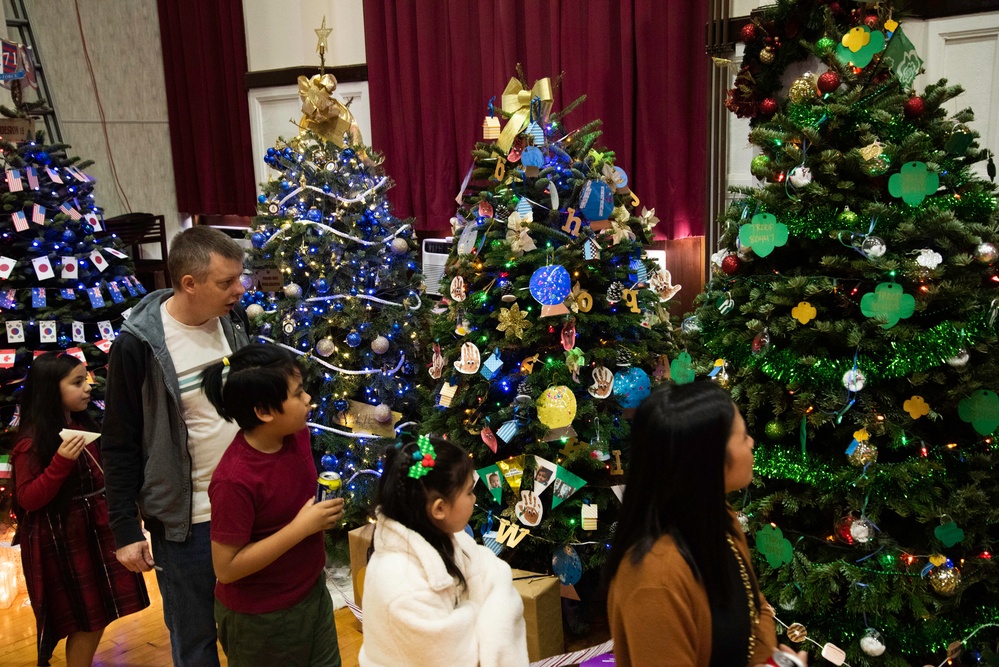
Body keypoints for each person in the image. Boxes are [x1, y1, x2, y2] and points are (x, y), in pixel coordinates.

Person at [101, 225, 249, 666]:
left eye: (240, 278)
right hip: (187, 525)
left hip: (246, 507)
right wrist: (126, 530)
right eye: (226, 282)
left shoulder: (233, 322)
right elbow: (119, 444)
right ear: (189, 283)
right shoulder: (137, 347)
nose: (239, 290)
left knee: (248, 630)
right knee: (195, 639)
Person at [606, 382, 807, 667]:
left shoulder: (720, 519)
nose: (752, 443)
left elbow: (755, 608)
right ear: (708, 462)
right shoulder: (653, 581)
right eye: (742, 437)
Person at [201, 344, 344, 666]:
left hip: (311, 595)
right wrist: (301, 528)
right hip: (260, 620)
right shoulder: (234, 480)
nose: (308, 399)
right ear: (264, 412)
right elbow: (226, 569)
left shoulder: (297, 434)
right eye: (297, 394)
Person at [12, 352, 149, 666]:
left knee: (97, 614)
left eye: (86, 378)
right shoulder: (31, 442)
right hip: (61, 539)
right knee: (83, 617)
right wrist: (61, 462)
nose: (88, 387)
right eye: (76, 382)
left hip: (93, 530)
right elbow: (28, 499)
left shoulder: (81, 423)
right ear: (50, 390)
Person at [359, 436, 529, 667]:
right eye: (469, 492)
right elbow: (455, 659)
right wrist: (479, 608)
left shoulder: (442, 535)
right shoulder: (402, 587)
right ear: (440, 509)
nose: (475, 498)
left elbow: (495, 572)